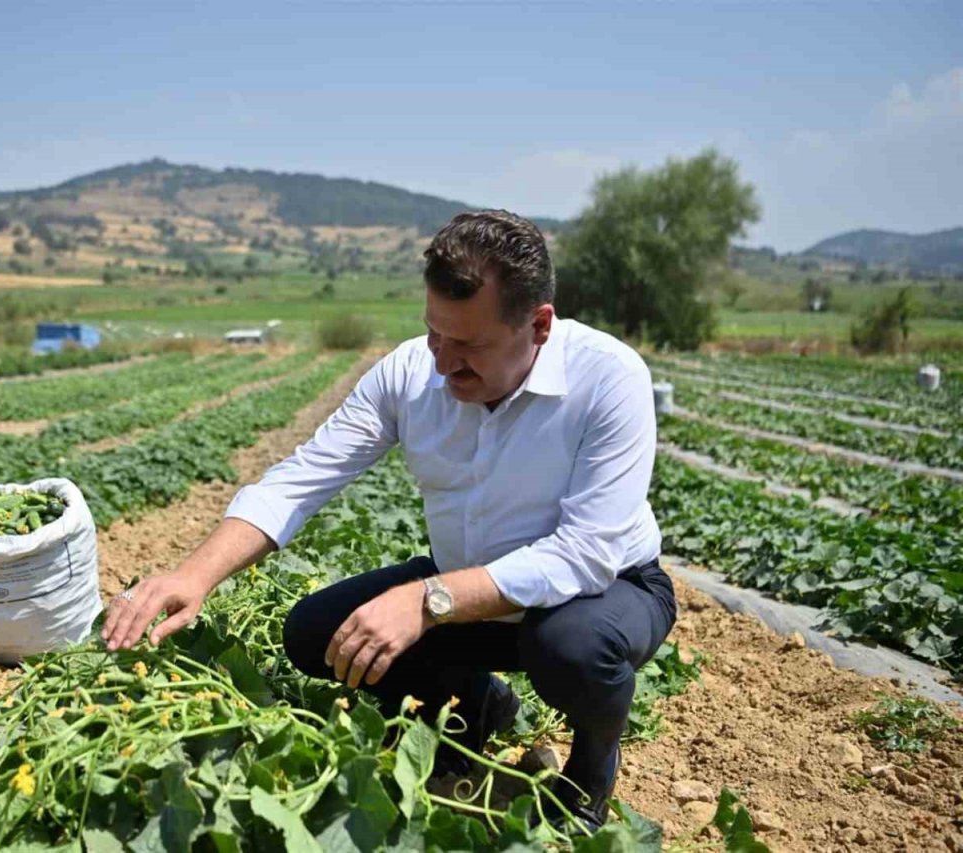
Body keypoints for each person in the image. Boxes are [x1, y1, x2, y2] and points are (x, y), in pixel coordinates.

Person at [101, 209, 677, 832]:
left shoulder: (609, 378)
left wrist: (427, 600)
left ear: (538, 326)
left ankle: (590, 772)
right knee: (315, 635)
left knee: (571, 647)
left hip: (605, 592)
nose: (443, 362)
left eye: (470, 345)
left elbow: (583, 554)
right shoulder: (408, 372)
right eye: (435, 333)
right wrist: (195, 574)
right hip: (464, 591)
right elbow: (301, 478)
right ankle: (479, 705)